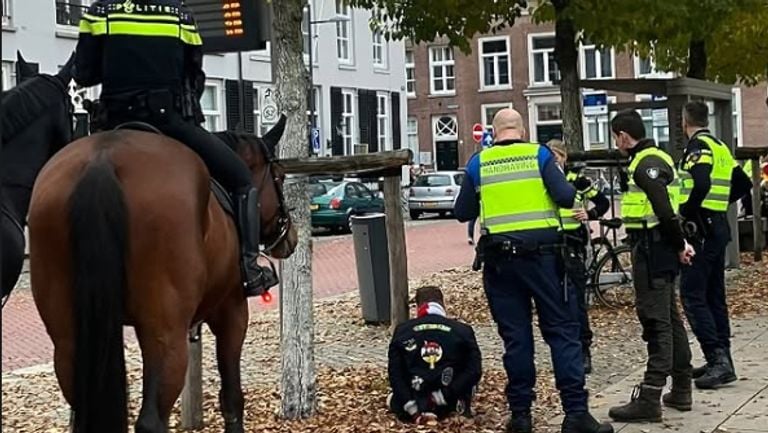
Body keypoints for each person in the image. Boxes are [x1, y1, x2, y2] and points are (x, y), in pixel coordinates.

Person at [73, 0, 275, 297]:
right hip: (170, 122)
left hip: (113, 122)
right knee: (241, 179)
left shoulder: (100, 10)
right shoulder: (179, 13)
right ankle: (248, 268)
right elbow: (194, 78)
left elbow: (84, 73)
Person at [455, 108, 612, 433]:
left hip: (501, 265)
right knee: (563, 333)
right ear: (522, 129)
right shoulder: (538, 155)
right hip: (546, 262)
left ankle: (522, 415)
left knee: (516, 339)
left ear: (494, 132)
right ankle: (575, 414)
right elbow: (566, 196)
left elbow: (463, 211)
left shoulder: (477, 163)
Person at [607, 109, 695, 423]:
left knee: (657, 323)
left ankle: (650, 397)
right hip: (659, 249)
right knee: (670, 320)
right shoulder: (656, 157)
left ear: (622, 136)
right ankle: (682, 389)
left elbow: (664, 210)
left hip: (652, 251)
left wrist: (679, 244)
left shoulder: (646, 165)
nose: (615, 142)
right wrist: (679, 245)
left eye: (615, 136)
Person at [677, 101, 752, 390]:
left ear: (685, 122)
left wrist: (688, 211)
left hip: (702, 230)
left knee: (692, 294)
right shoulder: (720, 146)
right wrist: (719, 205)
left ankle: (717, 358)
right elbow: (744, 183)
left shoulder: (698, 147)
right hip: (717, 226)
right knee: (713, 295)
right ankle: (723, 358)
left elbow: (699, 182)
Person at [548, 139, 610, 374]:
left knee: (575, 298)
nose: (554, 161)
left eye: (557, 156)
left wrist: (589, 214)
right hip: (551, 244)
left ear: (564, 157)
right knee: (554, 301)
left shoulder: (577, 180)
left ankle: (584, 349)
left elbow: (602, 202)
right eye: (550, 156)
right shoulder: (543, 181)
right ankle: (564, 351)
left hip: (572, 243)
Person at [387, 286, 482, 424]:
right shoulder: (463, 331)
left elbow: (395, 374)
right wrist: (443, 395)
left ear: (418, 306)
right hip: (451, 404)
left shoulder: (402, 331)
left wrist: (410, 406)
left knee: (392, 397)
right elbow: (475, 370)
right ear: (442, 304)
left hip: (412, 405)